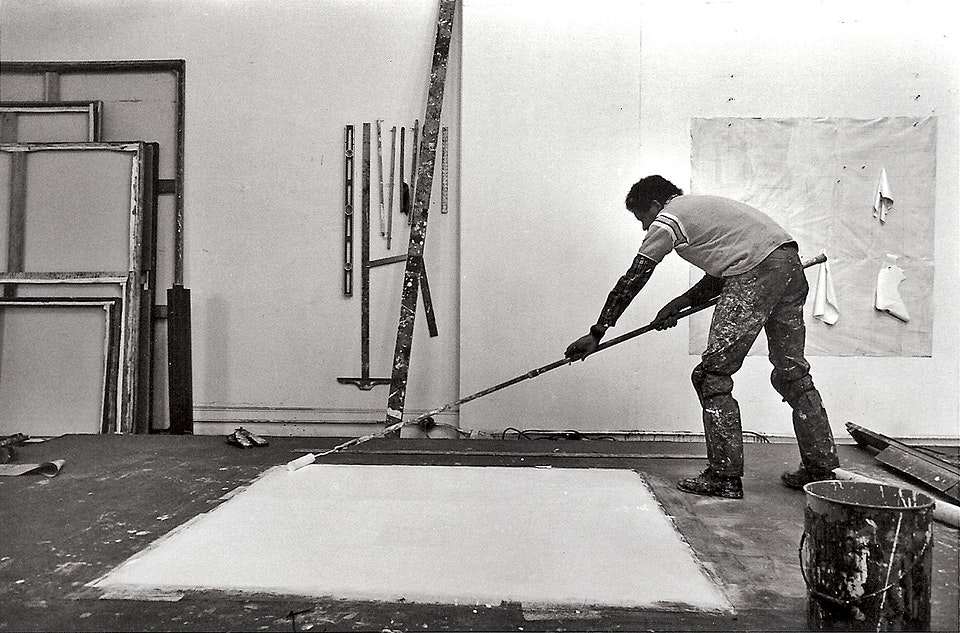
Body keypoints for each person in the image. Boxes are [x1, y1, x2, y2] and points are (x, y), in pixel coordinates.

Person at [565, 175, 839, 499]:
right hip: (788, 263)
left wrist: (598, 330)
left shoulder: (668, 218)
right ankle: (821, 469)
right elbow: (729, 268)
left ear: (655, 204)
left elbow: (634, 276)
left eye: (642, 218)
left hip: (757, 273)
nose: (644, 228)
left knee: (711, 376)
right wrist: (680, 303)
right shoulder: (701, 210)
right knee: (792, 373)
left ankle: (724, 477)